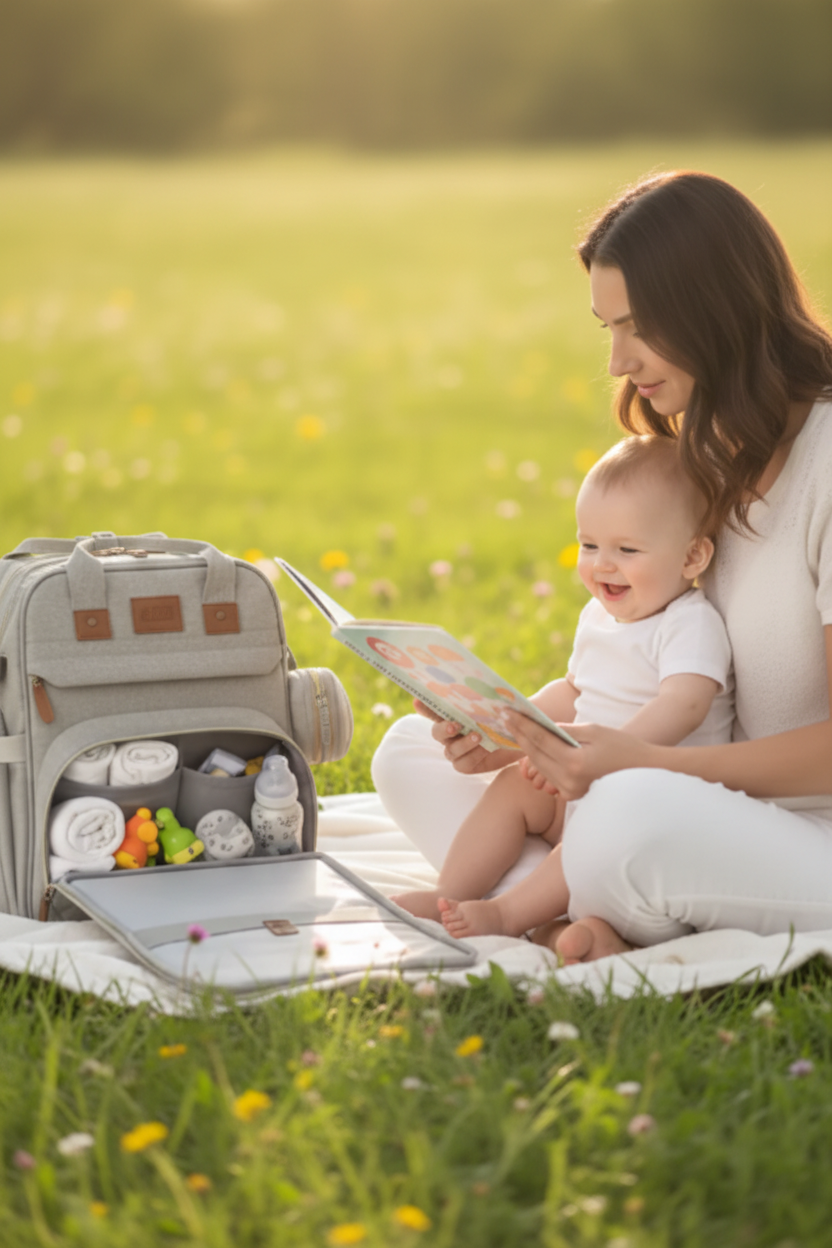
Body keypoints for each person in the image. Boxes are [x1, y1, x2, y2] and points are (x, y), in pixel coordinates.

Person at [372, 170, 832, 964]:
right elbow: (645, 660)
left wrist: (640, 761)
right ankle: (553, 918)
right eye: (606, 329)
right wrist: (524, 735)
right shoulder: (706, 452)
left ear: (714, 312)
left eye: (639, 328)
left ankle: (552, 902)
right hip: (699, 796)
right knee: (407, 754)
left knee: (626, 815)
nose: (618, 362)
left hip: (804, 828)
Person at [391, 433, 733, 940]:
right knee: (513, 787)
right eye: (589, 545)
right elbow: (574, 688)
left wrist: (604, 755)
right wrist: (509, 722)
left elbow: (684, 704)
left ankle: (510, 915)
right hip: (579, 778)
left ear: (692, 558)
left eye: (627, 549)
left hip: (642, 798)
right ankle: (455, 892)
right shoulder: (599, 615)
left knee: (591, 832)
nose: (602, 565)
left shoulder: (688, 623)